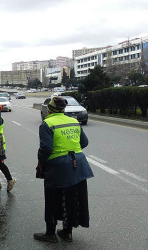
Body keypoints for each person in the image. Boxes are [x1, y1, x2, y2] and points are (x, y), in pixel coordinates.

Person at [34, 96, 94, 243]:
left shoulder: (47, 124)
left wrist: (41, 162)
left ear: (49, 110)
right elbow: (84, 142)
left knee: (52, 199)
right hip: (79, 165)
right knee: (71, 198)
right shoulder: (73, 121)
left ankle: (50, 233)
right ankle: (67, 232)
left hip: (58, 167)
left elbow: (46, 148)